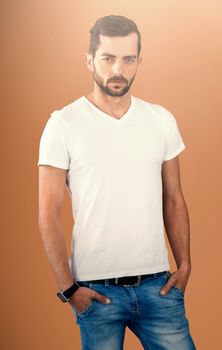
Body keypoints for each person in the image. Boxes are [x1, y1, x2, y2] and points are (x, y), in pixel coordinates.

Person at [37, 14, 196, 350]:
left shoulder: (161, 120)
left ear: (139, 60)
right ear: (89, 60)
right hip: (96, 293)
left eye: (128, 58)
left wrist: (184, 265)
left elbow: (174, 198)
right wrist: (69, 289)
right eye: (108, 58)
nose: (118, 69)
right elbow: (48, 213)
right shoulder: (63, 124)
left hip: (158, 286)